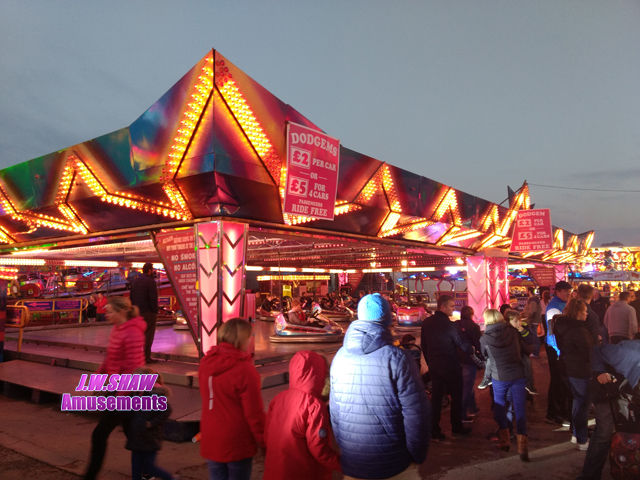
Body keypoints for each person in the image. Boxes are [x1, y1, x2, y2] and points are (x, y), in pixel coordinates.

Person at [330, 293, 430, 479]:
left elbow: (335, 414)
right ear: (386, 318)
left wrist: (349, 453)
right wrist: (417, 455)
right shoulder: (398, 358)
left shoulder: (340, 357)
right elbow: (416, 415)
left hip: (354, 465)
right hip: (395, 465)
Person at [83, 297, 146, 480]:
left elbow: (135, 367)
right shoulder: (117, 329)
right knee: (131, 433)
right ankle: (146, 467)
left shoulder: (133, 332)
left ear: (121, 312)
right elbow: (110, 358)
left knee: (100, 433)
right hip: (116, 386)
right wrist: (97, 378)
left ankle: (90, 475)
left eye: (110, 311)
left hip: (127, 389)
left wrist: (121, 396)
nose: (107, 314)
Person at [199, 318, 265, 480]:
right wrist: (264, 441)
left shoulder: (205, 364)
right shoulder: (244, 370)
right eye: (250, 336)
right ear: (242, 338)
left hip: (210, 435)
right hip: (237, 440)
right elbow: (254, 414)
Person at [264, 351, 340, 480]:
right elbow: (319, 450)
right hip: (302, 474)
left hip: (274, 472)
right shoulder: (314, 405)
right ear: (320, 373)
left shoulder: (278, 399)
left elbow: (267, 437)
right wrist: (346, 466)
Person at [575, 341, 640, 480]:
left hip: (624, 390)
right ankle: (589, 475)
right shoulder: (629, 356)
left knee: (631, 430)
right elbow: (596, 350)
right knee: (605, 431)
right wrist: (600, 372)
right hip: (604, 389)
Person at [481, 309, 533, 462]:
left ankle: (505, 440)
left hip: (500, 377)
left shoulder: (485, 338)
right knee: (520, 410)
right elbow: (525, 349)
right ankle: (523, 448)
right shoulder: (512, 331)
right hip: (518, 375)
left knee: (500, 408)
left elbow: (485, 356)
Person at [422, 294, 474, 441]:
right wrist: (472, 350)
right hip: (451, 366)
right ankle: (456, 427)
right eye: (451, 306)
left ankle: (434, 430)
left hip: (435, 366)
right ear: (442, 307)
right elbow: (462, 344)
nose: (453, 308)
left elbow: (424, 346)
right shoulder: (451, 325)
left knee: (436, 398)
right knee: (456, 396)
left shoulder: (427, 323)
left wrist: (430, 362)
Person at [124, 367, 177, 480]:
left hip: (149, 438)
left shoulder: (155, 396)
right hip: (136, 438)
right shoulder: (135, 395)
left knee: (151, 468)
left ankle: (170, 478)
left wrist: (152, 423)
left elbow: (167, 410)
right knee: (135, 470)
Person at [554, 298, 593, 451]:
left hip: (565, 368)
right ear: (578, 313)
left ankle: (577, 434)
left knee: (578, 401)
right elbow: (588, 353)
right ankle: (582, 439)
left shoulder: (561, 325)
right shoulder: (579, 330)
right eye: (585, 311)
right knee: (583, 405)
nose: (587, 314)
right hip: (579, 371)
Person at [544, 280, 573, 426]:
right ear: (558, 292)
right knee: (557, 380)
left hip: (560, 348)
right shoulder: (554, 308)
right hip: (556, 348)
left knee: (561, 380)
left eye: (569, 291)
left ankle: (561, 410)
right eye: (565, 292)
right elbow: (551, 332)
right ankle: (552, 413)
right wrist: (558, 350)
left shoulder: (563, 304)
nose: (568, 294)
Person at [130, 263, 159, 364]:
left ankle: (135, 357)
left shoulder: (135, 281)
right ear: (149, 271)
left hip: (137, 313)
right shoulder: (151, 282)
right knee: (148, 335)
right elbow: (153, 298)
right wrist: (155, 311)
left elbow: (131, 298)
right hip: (148, 313)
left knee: (137, 335)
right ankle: (146, 357)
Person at [457, 306, 483, 418]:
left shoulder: (455, 325)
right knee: (467, 386)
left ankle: (473, 407)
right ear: (471, 314)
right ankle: (462, 413)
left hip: (457, 358)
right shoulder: (474, 327)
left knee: (467, 384)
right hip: (469, 359)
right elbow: (479, 344)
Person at [505, 310, 537, 394]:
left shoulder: (524, 327)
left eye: (519, 320)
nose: (518, 323)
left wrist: (523, 331)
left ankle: (530, 384)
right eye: (515, 321)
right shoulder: (507, 330)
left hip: (521, 352)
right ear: (509, 321)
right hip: (510, 354)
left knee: (527, 362)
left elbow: (530, 340)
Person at [525, 287, 542, 357]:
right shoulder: (534, 299)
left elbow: (532, 311)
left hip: (532, 321)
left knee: (534, 337)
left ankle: (535, 352)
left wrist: (528, 319)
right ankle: (535, 351)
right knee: (534, 336)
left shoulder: (532, 300)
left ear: (529, 291)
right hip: (534, 320)